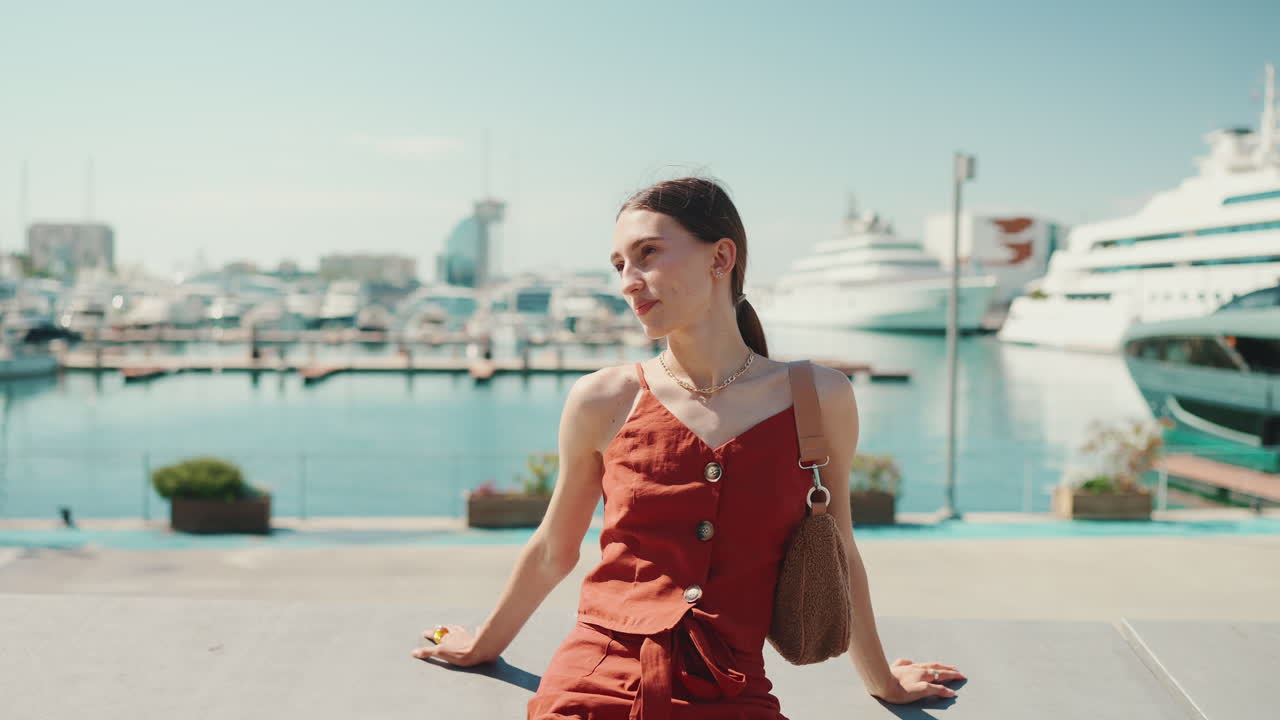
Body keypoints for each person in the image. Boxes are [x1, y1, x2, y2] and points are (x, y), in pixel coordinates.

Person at [413, 177, 965, 716]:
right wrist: (481, 647)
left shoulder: (820, 397)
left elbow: (838, 550)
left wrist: (885, 683)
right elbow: (553, 549)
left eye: (648, 253)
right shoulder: (603, 397)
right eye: (619, 265)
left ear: (720, 258)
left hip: (733, 690)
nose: (629, 280)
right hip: (594, 683)